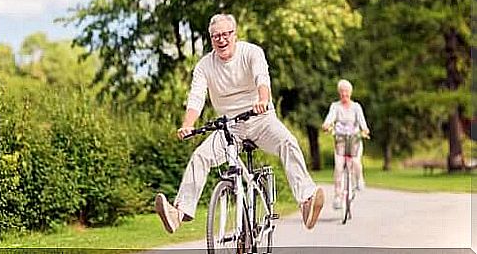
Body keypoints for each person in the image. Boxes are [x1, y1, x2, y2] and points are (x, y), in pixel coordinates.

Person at [155, 13, 324, 233]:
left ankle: (306, 202)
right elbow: (196, 96)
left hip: (260, 120)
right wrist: (187, 124)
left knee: (288, 142)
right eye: (216, 36)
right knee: (200, 156)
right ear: (211, 38)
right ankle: (179, 213)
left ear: (235, 35)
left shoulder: (252, 52)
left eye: (226, 34)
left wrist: (263, 100)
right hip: (229, 127)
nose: (221, 40)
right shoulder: (205, 65)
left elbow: (261, 77)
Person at [321, 79, 369, 210]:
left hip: (354, 139)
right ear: (339, 93)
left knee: (355, 161)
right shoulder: (335, 106)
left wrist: (364, 130)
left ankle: (359, 180)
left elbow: (362, 123)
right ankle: (337, 197)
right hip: (341, 140)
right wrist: (326, 125)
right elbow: (329, 119)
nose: (344, 94)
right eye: (342, 92)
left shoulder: (356, 107)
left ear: (350, 93)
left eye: (346, 91)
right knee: (338, 167)